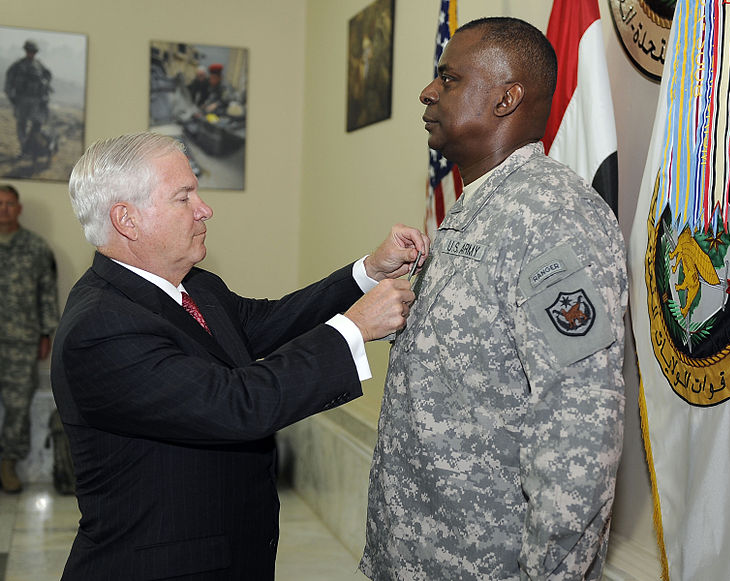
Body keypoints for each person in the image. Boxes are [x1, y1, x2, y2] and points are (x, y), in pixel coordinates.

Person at [51, 132, 428, 580]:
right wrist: (355, 327)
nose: (204, 208)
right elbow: (235, 405)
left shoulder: (196, 285)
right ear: (127, 220)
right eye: (183, 196)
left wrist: (367, 272)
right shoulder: (100, 326)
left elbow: (271, 321)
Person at [360, 17, 628, 581]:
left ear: (508, 98)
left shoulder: (551, 216)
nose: (428, 92)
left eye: (449, 79)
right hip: (420, 554)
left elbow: (579, 425)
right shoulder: (477, 208)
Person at [0, 184, 59, 493]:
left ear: (19, 209)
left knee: (18, 406)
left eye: (10, 204)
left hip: (21, 341)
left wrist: (47, 333)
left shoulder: (36, 247)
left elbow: (47, 292)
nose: (5, 209)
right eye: (0, 204)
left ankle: (8, 464)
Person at [4, 40, 53, 157]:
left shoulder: (39, 65)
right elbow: (8, 82)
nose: (31, 53)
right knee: (21, 125)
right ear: (26, 51)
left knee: (37, 124)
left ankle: (31, 148)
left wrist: (44, 90)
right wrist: (12, 97)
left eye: (33, 51)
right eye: (29, 51)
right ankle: (24, 149)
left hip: (36, 101)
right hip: (21, 101)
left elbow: (48, 76)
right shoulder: (18, 66)